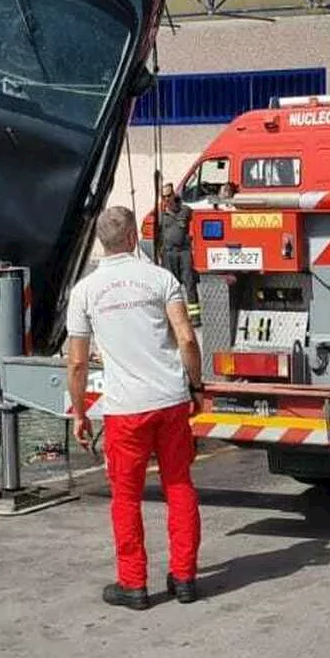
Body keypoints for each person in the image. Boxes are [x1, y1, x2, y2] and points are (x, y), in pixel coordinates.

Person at [66, 206, 205, 610]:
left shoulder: (86, 292)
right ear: (132, 238)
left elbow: (76, 362)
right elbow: (187, 340)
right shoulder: (162, 279)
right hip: (170, 401)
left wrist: (79, 413)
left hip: (125, 409)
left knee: (126, 497)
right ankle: (184, 578)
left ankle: (134, 585)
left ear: (101, 242)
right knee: (179, 487)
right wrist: (195, 386)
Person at [159, 184, 202, 327]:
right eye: (164, 197)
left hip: (184, 253)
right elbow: (155, 236)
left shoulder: (185, 211)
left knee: (190, 284)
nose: (167, 199)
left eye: (168, 196)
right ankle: (175, 318)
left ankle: (195, 317)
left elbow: (198, 222)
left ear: (173, 195)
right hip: (168, 254)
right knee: (171, 287)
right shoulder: (160, 215)